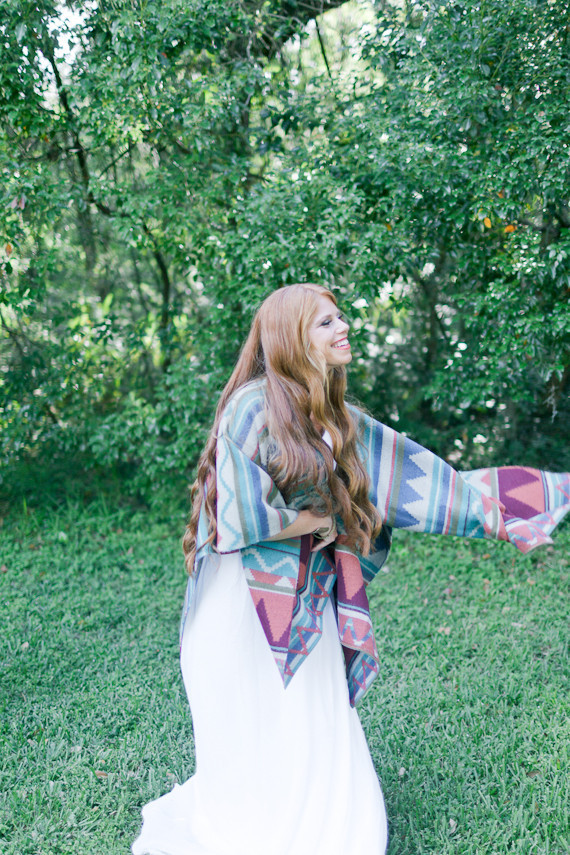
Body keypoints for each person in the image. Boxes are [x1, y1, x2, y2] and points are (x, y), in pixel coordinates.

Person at [132, 283, 569, 855]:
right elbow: (234, 519)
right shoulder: (251, 407)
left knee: (312, 718)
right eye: (325, 322)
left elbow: (418, 481)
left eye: (340, 317)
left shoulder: (335, 412)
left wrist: (503, 517)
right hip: (242, 604)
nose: (343, 328)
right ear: (290, 337)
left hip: (305, 599)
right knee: (253, 724)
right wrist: (317, 521)